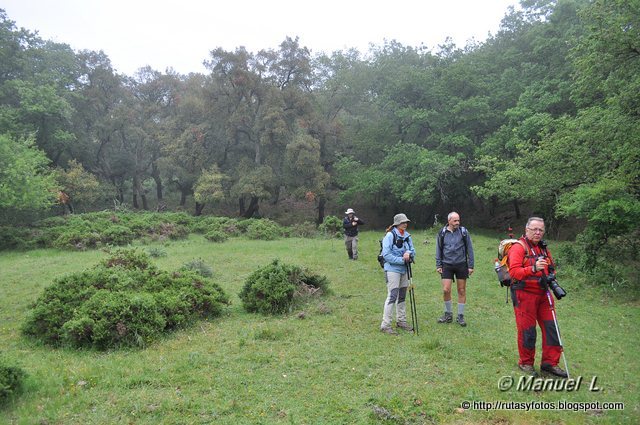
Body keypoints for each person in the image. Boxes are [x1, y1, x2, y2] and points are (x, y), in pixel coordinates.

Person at [507, 217, 567, 378]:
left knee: (552, 328)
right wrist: (532, 268)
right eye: (534, 229)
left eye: (540, 230)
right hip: (524, 294)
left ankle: (550, 363)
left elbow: (551, 268)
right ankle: (526, 363)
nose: (537, 232)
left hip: (543, 293)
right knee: (528, 330)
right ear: (527, 230)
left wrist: (551, 277)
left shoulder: (544, 248)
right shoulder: (518, 248)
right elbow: (514, 273)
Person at [435, 212, 474, 327]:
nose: (457, 223)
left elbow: (470, 249)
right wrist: (438, 265)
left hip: (461, 264)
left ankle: (460, 316)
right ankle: (448, 314)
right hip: (446, 265)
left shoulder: (464, 232)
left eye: (458, 220)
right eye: (455, 221)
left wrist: (470, 266)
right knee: (446, 289)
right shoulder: (442, 233)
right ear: (449, 221)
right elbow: (438, 249)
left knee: (461, 290)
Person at [380, 213, 416, 335]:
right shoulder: (390, 236)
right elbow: (386, 255)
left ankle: (401, 321)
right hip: (392, 270)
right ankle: (385, 325)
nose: (405, 224)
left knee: (402, 296)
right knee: (392, 295)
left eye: (406, 222)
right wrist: (402, 260)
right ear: (397, 224)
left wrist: (409, 254)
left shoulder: (407, 236)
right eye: (402, 222)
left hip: (404, 270)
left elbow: (413, 251)